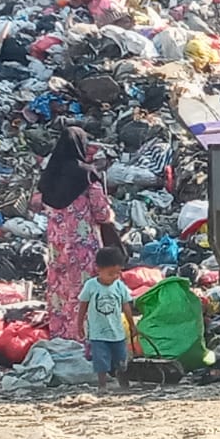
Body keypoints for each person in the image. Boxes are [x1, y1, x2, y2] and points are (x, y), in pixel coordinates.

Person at [38, 126, 116, 341]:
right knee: (82, 292)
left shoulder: (50, 175)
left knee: (59, 290)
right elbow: (101, 213)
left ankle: (60, 336)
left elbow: (41, 203)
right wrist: (110, 216)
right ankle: (83, 337)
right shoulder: (86, 174)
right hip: (82, 247)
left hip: (56, 246)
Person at [78, 246, 139, 391]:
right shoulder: (91, 286)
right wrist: (79, 324)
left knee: (121, 360)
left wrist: (132, 325)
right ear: (99, 269)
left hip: (117, 332)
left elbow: (126, 306)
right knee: (101, 361)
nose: (114, 277)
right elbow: (83, 306)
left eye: (117, 273)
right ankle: (102, 385)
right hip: (98, 333)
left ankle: (124, 383)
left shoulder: (120, 286)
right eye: (110, 273)